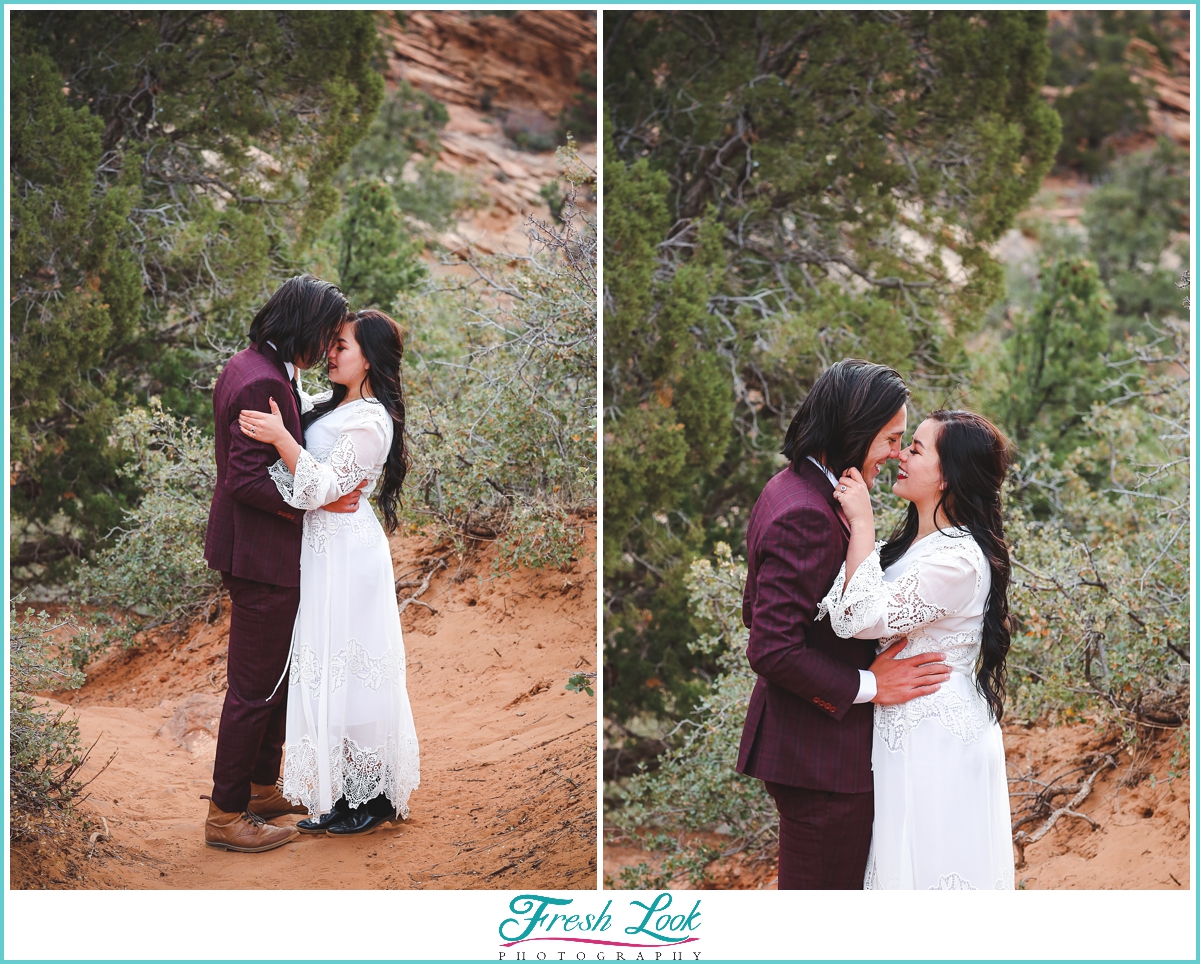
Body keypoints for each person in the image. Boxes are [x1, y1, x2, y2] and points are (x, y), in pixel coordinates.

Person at [736, 359, 952, 889]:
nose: (898, 454)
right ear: (855, 432)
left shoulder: (791, 488)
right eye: (892, 439)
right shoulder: (806, 511)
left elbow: (756, 608)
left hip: (815, 753)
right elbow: (771, 648)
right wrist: (872, 684)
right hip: (822, 761)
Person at [238, 309, 420, 836]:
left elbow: (319, 486)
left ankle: (377, 793)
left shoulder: (370, 420)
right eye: (333, 342)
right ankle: (340, 792)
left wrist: (280, 438)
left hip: (349, 554)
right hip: (319, 550)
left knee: (357, 667)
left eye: (342, 345)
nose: (332, 352)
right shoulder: (326, 404)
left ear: (370, 359)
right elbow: (310, 484)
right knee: (326, 665)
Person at [202, 275, 365, 853]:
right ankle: (225, 816)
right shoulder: (262, 382)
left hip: (256, 551)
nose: (327, 347)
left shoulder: (249, 366)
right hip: (261, 555)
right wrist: (315, 502)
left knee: (276, 680)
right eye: (326, 334)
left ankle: (262, 788)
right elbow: (243, 479)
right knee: (254, 688)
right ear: (305, 326)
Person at [822, 410, 1016, 890]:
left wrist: (862, 524)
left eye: (917, 448)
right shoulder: (918, 546)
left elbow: (858, 620)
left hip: (939, 738)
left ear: (949, 475)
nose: (901, 455)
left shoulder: (959, 559)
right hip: (907, 729)